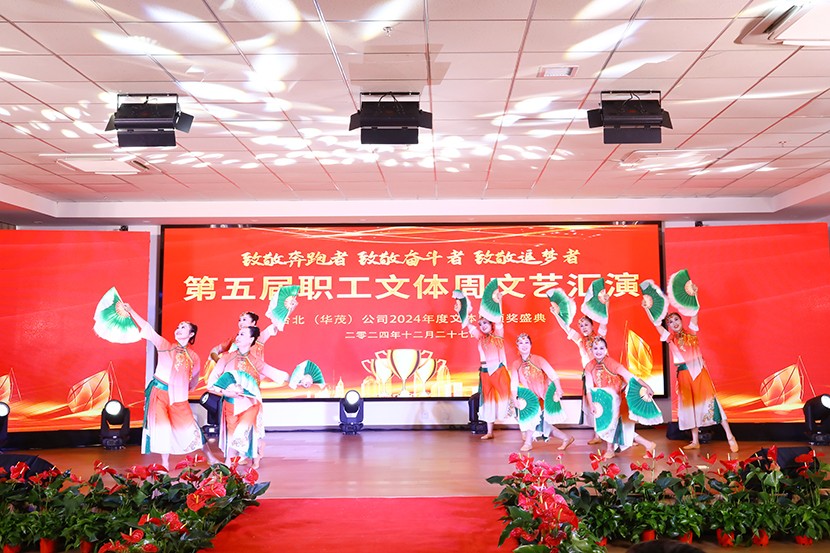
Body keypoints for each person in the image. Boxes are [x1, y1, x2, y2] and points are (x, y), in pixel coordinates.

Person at [122, 303, 216, 468]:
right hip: (159, 393)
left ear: (191, 334)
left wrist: (181, 388)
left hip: (178, 398)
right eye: (178, 326)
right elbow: (147, 329)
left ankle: (211, 457)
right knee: (163, 429)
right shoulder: (165, 346)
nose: (178, 329)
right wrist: (131, 311)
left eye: (183, 327)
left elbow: (194, 380)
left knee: (191, 428)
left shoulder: (193, 356)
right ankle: (164, 464)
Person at [645, 308, 738, 453]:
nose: (674, 323)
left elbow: (695, 312)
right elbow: (655, 323)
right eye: (670, 322)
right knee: (690, 407)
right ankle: (695, 441)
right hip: (683, 375)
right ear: (668, 326)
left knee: (713, 404)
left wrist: (693, 298)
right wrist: (647, 309)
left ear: (681, 321)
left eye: (676, 319)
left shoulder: (692, 333)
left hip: (699, 374)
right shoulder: (670, 338)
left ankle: (730, 436)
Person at [207, 326, 289, 469]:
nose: (238, 337)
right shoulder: (226, 358)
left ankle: (246, 458)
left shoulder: (255, 361)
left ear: (251, 339)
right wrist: (226, 392)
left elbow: (277, 374)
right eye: (238, 334)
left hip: (250, 406)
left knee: (242, 433)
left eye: (242, 334)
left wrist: (299, 380)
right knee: (232, 435)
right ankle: (230, 464)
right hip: (230, 403)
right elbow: (211, 383)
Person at [584, 336, 656, 459]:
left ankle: (610, 450)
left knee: (613, 426)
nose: (598, 351)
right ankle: (648, 444)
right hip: (603, 401)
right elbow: (589, 387)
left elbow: (631, 377)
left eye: (601, 348)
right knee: (616, 428)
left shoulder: (612, 364)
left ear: (606, 350)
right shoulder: (589, 366)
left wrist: (646, 386)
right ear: (591, 350)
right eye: (595, 348)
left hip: (617, 399)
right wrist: (591, 404)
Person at [457, 293, 511, 441]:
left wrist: (499, 302)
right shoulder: (480, 338)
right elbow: (468, 324)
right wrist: (461, 310)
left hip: (498, 371)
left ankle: (525, 432)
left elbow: (499, 319)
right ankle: (489, 431)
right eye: (480, 324)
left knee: (508, 400)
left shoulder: (498, 334)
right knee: (488, 402)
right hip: (485, 373)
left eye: (485, 323)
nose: (482, 326)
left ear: (491, 324)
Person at [509, 333, 574, 452]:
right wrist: (514, 398)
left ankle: (528, 443)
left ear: (531, 345)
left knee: (534, 420)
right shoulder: (516, 364)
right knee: (543, 426)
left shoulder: (538, 360)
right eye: (521, 343)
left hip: (543, 396)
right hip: (530, 398)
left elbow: (553, 375)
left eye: (526, 342)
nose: (524, 345)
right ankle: (566, 438)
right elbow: (514, 383)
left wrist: (558, 388)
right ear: (517, 346)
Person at [551, 312, 606, 445]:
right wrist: (555, 314)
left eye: (586, 324)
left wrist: (606, 304)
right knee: (593, 404)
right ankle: (597, 434)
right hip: (588, 375)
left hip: (602, 374)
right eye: (581, 326)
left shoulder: (599, 338)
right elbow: (566, 327)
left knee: (606, 403)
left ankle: (620, 435)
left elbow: (604, 321)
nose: (584, 327)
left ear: (592, 326)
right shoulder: (580, 340)